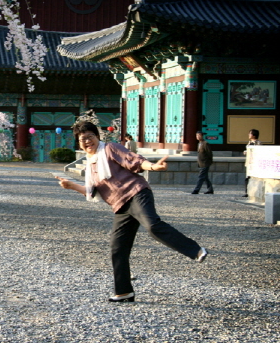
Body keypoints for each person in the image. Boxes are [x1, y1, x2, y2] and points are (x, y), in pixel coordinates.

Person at [55, 121, 208, 303]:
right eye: (83, 139)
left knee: (152, 225)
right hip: (120, 206)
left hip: (136, 193)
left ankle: (195, 250)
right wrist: (71, 186)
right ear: (78, 143)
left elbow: (132, 160)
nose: (87, 141)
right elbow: (92, 192)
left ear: (98, 137)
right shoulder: (91, 164)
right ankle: (124, 291)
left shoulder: (110, 148)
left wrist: (153, 167)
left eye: (90, 137)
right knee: (117, 247)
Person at [243, 129, 262, 197]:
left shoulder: (258, 143)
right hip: (249, 162)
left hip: (254, 162)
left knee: (254, 178)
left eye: (250, 134)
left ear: (254, 135)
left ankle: (254, 191)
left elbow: (258, 151)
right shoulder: (249, 142)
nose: (249, 135)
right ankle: (246, 192)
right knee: (247, 177)